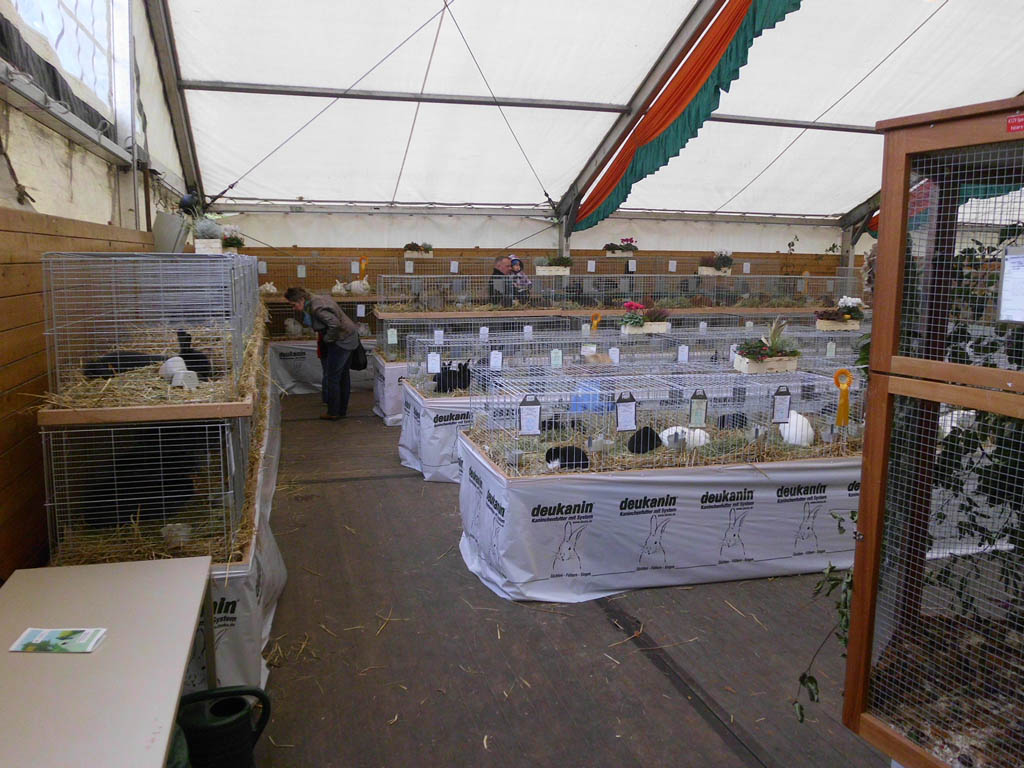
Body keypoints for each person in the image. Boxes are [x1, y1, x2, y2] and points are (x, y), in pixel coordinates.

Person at [285, 287, 360, 420]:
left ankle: (333, 412)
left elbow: (334, 324)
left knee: (332, 377)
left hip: (342, 341)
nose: (294, 308)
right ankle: (341, 410)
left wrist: (327, 339)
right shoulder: (317, 299)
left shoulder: (317, 308)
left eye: (294, 304)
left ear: (301, 299)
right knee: (343, 376)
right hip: (349, 338)